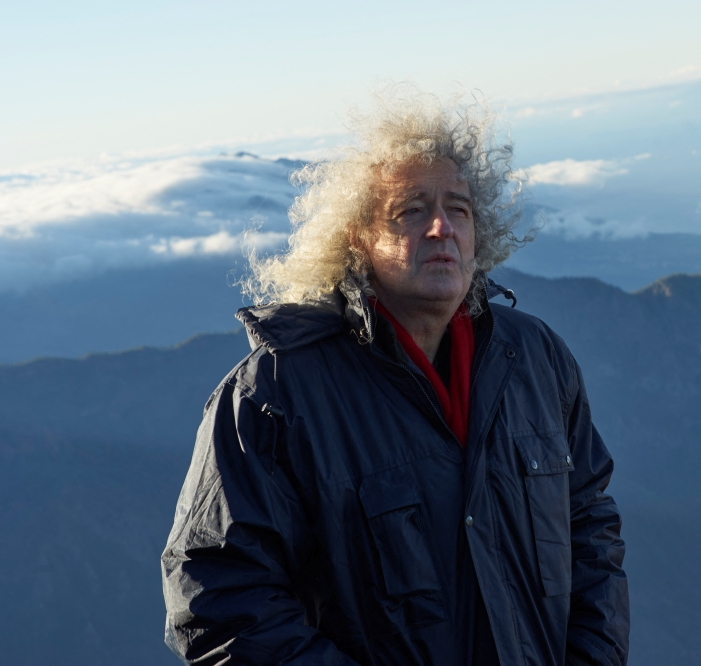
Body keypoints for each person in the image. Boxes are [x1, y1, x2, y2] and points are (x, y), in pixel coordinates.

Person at [161, 90, 629, 665]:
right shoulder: (277, 392)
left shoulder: (535, 358)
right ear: (356, 237)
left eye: (458, 208)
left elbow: (590, 529)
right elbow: (219, 599)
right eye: (411, 210)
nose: (441, 227)